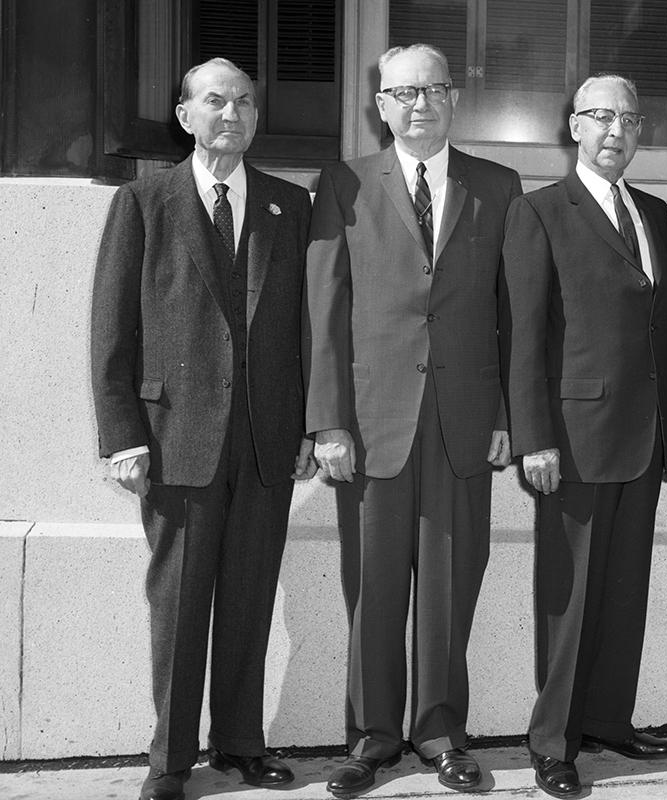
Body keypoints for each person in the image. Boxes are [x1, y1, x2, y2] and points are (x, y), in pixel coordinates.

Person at [501, 74, 667, 799]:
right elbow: (524, 334)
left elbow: (665, 327)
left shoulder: (653, 212)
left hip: (644, 436)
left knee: (624, 589)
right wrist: (532, 437)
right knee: (569, 596)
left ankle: (606, 719)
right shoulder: (537, 212)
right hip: (571, 437)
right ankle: (553, 742)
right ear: (573, 125)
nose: (616, 132)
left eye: (630, 121)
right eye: (602, 117)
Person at [90, 58, 315, 800]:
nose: (233, 114)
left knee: (249, 599)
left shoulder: (290, 205)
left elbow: (310, 328)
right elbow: (112, 330)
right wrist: (123, 435)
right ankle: (171, 761)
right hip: (175, 438)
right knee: (180, 609)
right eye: (216, 101)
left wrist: (310, 426)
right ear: (184, 115)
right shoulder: (144, 203)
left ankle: (242, 745)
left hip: (265, 442)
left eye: (245, 102)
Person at [302, 43, 522, 797]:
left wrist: (506, 416)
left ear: (453, 99)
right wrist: (327, 421)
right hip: (371, 421)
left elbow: (509, 310)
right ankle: (372, 736)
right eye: (405, 92)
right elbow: (323, 308)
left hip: (464, 417)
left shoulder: (498, 184)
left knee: (451, 584)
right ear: (381, 104)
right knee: (373, 584)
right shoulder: (343, 183)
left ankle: (439, 732)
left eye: (433, 90)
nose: (420, 104)